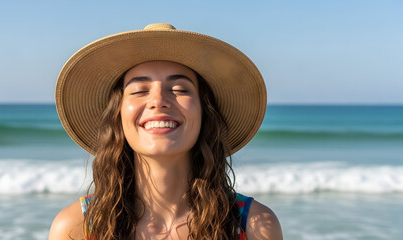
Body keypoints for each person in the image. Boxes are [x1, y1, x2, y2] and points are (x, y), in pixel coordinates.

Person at [49, 23, 282, 240]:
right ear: (118, 116)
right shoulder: (78, 227)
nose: (158, 101)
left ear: (205, 113)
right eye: (140, 90)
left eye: (180, 89)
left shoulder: (252, 225)